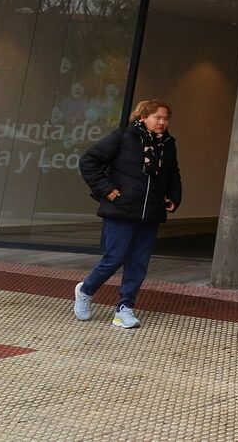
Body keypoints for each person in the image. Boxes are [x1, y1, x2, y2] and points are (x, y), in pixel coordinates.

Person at [73, 99, 181, 330]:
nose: (162, 122)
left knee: (138, 263)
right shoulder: (124, 137)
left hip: (150, 213)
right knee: (114, 258)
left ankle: (125, 308)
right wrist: (107, 190)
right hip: (122, 210)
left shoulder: (168, 145)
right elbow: (88, 161)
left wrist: (173, 197)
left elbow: (173, 174)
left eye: (165, 118)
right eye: (157, 117)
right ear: (143, 117)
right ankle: (86, 291)